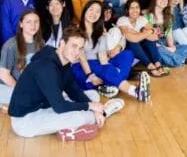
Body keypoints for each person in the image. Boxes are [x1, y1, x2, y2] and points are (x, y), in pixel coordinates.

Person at [8, 26, 148, 139]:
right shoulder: (46, 67)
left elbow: (73, 90)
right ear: (62, 44)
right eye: (74, 46)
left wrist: (92, 105)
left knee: (93, 95)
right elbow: (60, 107)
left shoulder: (64, 62)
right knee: (85, 115)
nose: (77, 52)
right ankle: (103, 113)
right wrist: (91, 107)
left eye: (81, 48)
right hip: (25, 121)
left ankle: (96, 114)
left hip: (43, 106)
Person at [73, 1, 141, 95]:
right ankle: (134, 91)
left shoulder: (100, 33)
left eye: (97, 11)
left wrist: (109, 67)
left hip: (98, 66)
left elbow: (103, 60)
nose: (94, 14)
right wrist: (91, 76)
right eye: (91, 9)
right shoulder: (76, 31)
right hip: (83, 68)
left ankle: (111, 84)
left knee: (127, 54)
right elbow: (81, 57)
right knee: (99, 69)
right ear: (85, 11)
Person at [0, 9, 44, 109]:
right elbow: (4, 75)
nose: (33, 25)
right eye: (28, 22)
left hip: (28, 89)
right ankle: (13, 107)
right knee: (33, 99)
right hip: (4, 88)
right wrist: (23, 90)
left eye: (36, 21)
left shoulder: (41, 44)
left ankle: (14, 106)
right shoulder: (11, 45)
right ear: (21, 24)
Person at [116, 0, 167, 77]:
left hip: (141, 49)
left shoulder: (142, 19)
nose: (135, 10)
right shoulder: (122, 20)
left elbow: (155, 37)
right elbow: (132, 39)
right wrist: (148, 31)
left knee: (150, 41)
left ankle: (157, 64)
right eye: (132, 8)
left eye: (137, 7)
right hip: (128, 49)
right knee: (133, 42)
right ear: (127, 10)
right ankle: (150, 66)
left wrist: (137, 32)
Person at [145, 0, 187, 67]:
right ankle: (180, 61)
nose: (163, 0)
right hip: (155, 47)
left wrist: (171, 47)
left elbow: (169, 35)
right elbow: (148, 40)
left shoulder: (168, 16)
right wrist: (166, 49)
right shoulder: (147, 17)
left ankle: (171, 60)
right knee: (160, 51)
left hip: (165, 45)